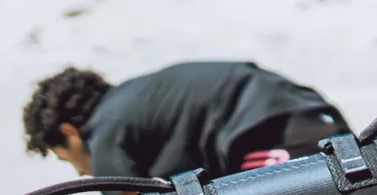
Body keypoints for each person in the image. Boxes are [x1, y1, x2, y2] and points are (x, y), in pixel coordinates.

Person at [22, 61, 349, 182]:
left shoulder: (105, 128)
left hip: (270, 133)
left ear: (70, 133)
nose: (81, 171)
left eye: (69, 160)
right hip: (311, 114)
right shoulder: (139, 100)